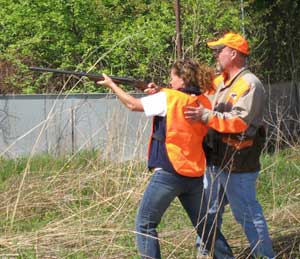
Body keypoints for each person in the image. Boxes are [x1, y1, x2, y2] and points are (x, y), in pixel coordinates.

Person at [97, 59, 234, 259]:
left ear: (182, 79)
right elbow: (177, 100)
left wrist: (112, 85)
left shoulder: (168, 98)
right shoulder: (203, 101)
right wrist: (159, 91)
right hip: (194, 174)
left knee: (144, 224)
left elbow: (132, 104)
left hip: (169, 172)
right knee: (207, 228)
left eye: (172, 77)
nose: (170, 81)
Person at [185, 32, 275, 258]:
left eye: (219, 50)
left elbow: (239, 122)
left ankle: (265, 256)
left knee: (246, 214)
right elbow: (193, 100)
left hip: (239, 162)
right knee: (209, 212)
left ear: (233, 54)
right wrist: (163, 93)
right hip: (214, 159)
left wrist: (206, 116)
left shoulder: (250, 84)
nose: (215, 55)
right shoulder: (218, 81)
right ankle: (205, 253)